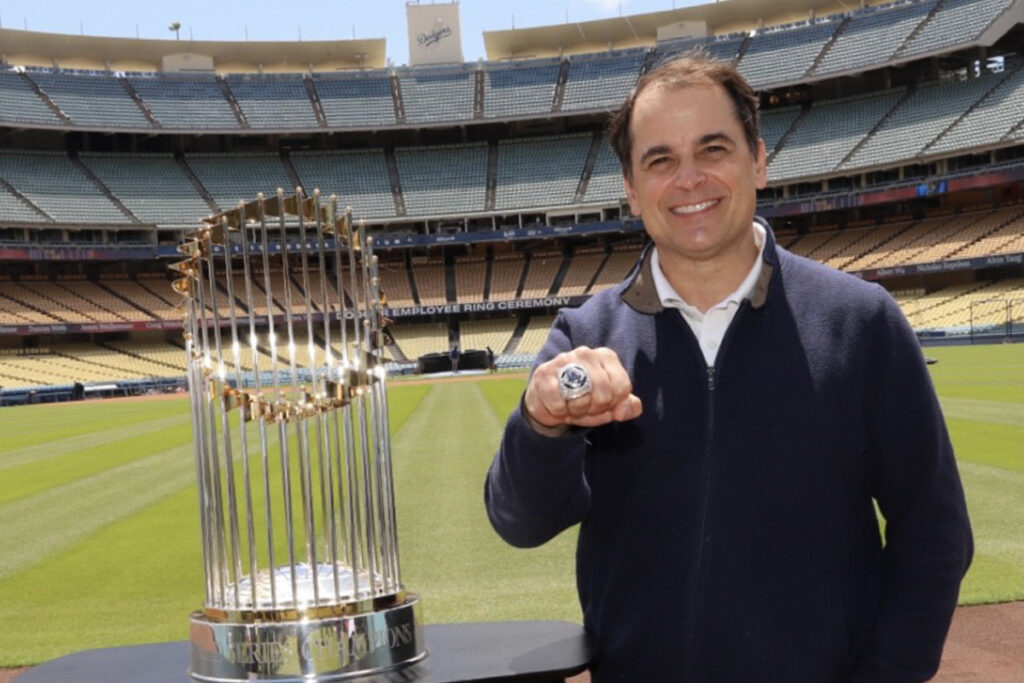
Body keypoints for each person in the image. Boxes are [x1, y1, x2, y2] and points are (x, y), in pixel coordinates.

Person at [485, 52, 972, 682]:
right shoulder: (586, 338)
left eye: (713, 149)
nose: (689, 179)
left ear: (758, 161)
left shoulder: (861, 322)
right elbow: (520, 523)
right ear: (632, 190)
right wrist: (541, 423)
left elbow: (934, 534)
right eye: (660, 159)